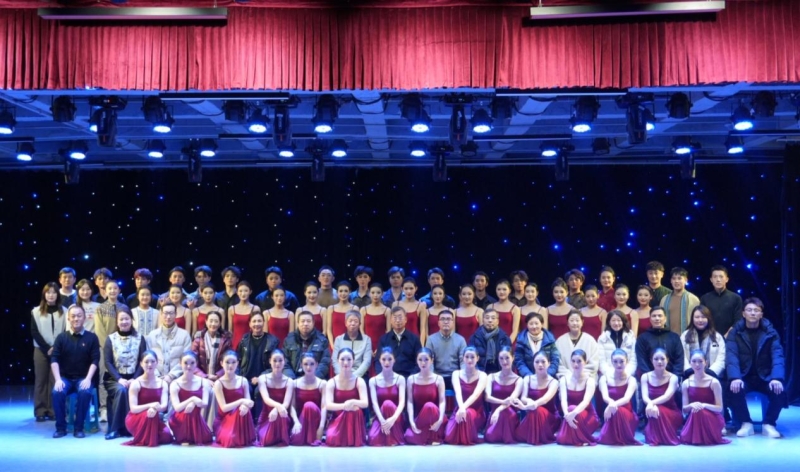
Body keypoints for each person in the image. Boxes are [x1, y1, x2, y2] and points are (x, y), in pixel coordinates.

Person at [726, 297, 786, 439]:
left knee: (780, 390)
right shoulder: (735, 332)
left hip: (765, 376)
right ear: (743, 313)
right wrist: (735, 377)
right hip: (744, 376)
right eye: (749, 310)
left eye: (756, 310)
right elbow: (731, 356)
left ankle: (769, 424)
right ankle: (746, 423)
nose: (752, 313)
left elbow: (777, 355)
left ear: (761, 314)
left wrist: (776, 378)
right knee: (733, 388)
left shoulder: (771, 332)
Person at [50, 305, 100, 438]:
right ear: (68, 318)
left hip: (84, 377)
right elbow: (54, 359)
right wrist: (58, 380)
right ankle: (61, 428)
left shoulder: (92, 337)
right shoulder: (61, 337)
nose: (76, 319)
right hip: (65, 378)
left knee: (85, 392)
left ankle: (79, 428)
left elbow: (95, 360)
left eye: (79, 316)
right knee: (57, 392)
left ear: (84, 318)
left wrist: (88, 379)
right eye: (73, 316)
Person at [103, 308, 146, 440]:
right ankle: (115, 429)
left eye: (127, 319)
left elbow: (142, 361)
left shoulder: (140, 338)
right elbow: (107, 362)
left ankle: (131, 427)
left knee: (130, 389)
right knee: (121, 390)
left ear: (131, 320)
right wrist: (119, 378)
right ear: (117, 322)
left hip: (135, 377)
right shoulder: (110, 339)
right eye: (121, 319)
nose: (124, 322)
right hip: (114, 378)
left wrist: (135, 378)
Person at [31, 282, 66, 422]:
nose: (51, 295)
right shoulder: (36, 311)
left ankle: (53, 410)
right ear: (44, 294)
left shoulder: (64, 311)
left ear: (57, 294)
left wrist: (56, 348)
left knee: (55, 380)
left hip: (58, 350)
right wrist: (47, 347)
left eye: (54, 292)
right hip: (40, 350)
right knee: (41, 380)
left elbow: (65, 331)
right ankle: (40, 410)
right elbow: (34, 332)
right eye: (48, 292)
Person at [122, 350, 172, 447]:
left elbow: (164, 406)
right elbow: (133, 409)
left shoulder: (163, 383)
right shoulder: (136, 383)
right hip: (136, 418)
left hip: (154, 415)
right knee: (150, 414)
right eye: (146, 362)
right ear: (141, 364)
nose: (150, 364)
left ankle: (149, 436)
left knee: (166, 436)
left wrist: (154, 408)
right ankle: (149, 439)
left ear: (157, 363)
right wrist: (151, 406)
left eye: (153, 361)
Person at [680, 350, 730, 445]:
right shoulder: (686, 383)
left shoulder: (714, 382)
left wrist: (703, 405)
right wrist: (692, 405)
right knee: (696, 410)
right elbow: (684, 409)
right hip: (694, 416)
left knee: (698, 410)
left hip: (712, 417)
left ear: (705, 363)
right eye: (694, 361)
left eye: (700, 361)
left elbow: (719, 408)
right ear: (690, 363)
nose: (697, 364)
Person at [236, 312, 280, 418]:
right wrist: (239, 378)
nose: (257, 324)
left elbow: (276, 364)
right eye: (254, 321)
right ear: (250, 324)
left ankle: (259, 422)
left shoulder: (273, 341)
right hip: (246, 378)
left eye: (259, 321)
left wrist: (261, 377)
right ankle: (246, 421)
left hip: (266, 378)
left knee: (258, 391)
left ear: (264, 322)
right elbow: (237, 361)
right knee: (244, 389)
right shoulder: (244, 340)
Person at [513, 351, 560, 445]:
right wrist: (529, 401)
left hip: (549, 417)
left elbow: (545, 400)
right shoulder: (528, 379)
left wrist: (526, 407)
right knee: (534, 411)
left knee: (537, 409)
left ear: (549, 363)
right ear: (533, 363)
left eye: (543, 362)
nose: (540, 365)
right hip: (532, 414)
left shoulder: (554, 382)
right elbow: (523, 398)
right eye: (537, 362)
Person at [325, 348, 369, 447]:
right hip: (337, 418)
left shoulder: (359, 381)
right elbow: (328, 405)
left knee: (355, 409)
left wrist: (352, 401)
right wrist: (345, 406)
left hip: (354, 418)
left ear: (353, 361)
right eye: (342, 359)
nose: (345, 362)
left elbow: (365, 403)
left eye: (349, 359)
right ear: (337, 360)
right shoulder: (332, 382)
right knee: (331, 439)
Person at [444, 347, 488, 445]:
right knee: (448, 436)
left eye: (472, 357)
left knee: (467, 413)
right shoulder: (456, 373)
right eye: (467, 357)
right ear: (463, 358)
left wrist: (463, 408)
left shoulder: (483, 375)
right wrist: (461, 408)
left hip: (477, 411)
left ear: (477, 358)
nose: (469, 360)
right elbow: (458, 393)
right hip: (460, 409)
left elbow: (475, 395)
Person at [555, 349, 599, 446]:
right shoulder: (564, 379)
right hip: (570, 415)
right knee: (562, 439)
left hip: (587, 415)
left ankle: (579, 437)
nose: (576, 364)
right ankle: (576, 437)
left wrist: (573, 413)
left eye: (579, 361)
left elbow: (586, 402)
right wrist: (567, 415)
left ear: (585, 362)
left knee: (572, 408)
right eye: (573, 361)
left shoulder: (590, 381)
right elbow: (563, 400)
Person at [597, 349, 641, 445]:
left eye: (621, 361)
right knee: (605, 438)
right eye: (615, 361)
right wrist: (611, 405)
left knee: (618, 410)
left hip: (626, 413)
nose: (619, 364)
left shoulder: (631, 379)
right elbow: (605, 397)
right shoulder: (604, 378)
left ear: (627, 362)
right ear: (611, 362)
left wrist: (611, 406)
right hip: (611, 412)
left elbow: (626, 399)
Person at [168, 351, 213, 445]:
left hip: (196, 419)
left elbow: (205, 404)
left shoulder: (203, 382)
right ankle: (184, 435)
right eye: (185, 363)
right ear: (180, 363)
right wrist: (192, 399)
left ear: (196, 364)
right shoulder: (175, 384)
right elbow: (177, 407)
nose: (189, 366)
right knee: (188, 412)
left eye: (192, 363)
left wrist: (193, 403)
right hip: (180, 419)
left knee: (207, 438)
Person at [213, 350, 256, 448]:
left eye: (233, 362)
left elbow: (249, 402)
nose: (230, 365)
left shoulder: (243, 380)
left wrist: (245, 406)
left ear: (237, 363)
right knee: (231, 440)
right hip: (224, 420)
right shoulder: (219, 383)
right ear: (222, 363)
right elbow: (224, 408)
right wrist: (241, 402)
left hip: (241, 416)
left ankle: (242, 434)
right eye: (227, 362)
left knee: (242, 410)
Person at [403, 348, 446, 445]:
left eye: (426, 359)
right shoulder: (411, 379)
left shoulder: (439, 379)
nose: (423, 363)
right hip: (420, 419)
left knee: (429, 406)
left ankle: (433, 435)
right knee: (408, 436)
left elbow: (442, 401)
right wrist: (411, 421)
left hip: (435, 418)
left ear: (432, 360)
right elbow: (410, 402)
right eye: (420, 360)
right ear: (416, 361)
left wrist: (440, 420)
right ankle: (427, 436)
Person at [641, 348, 682, 445]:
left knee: (657, 410)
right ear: (651, 360)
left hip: (671, 412)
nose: (659, 362)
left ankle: (658, 436)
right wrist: (651, 405)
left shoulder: (673, 377)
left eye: (662, 359)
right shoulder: (645, 376)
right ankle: (655, 435)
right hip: (652, 410)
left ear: (667, 360)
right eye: (656, 359)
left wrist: (651, 403)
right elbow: (644, 397)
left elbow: (667, 397)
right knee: (655, 410)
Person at [145, 303, 192, 385]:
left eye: (171, 313)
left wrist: (171, 376)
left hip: (178, 380)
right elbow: (147, 359)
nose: (168, 317)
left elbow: (187, 359)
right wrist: (157, 376)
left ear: (176, 314)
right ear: (161, 314)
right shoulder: (152, 335)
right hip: (155, 379)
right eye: (166, 313)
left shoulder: (184, 335)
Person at [368, 347, 407, 446]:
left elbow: (402, 402)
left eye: (390, 359)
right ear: (379, 360)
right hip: (381, 416)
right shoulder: (373, 381)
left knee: (387, 404)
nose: (387, 362)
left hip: (396, 416)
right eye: (384, 359)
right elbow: (374, 403)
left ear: (394, 360)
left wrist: (393, 419)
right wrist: (382, 420)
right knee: (372, 439)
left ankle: (395, 435)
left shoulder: (400, 379)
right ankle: (386, 432)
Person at [483, 347, 522, 444]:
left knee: (506, 412)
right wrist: (501, 403)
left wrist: (499, 410)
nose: (504, 362)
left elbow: (511, 399)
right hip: (494, 414)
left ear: (513, 358)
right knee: (490, 437)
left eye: (507, 358)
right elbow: (487, 397)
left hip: (510, 413)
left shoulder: (519, 380)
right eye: (501, 358)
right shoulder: (491, 377)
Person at [256, 349, 294, 446]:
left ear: (284, 361)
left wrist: (277, 409)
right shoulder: (262, 378)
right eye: (275, 360)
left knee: (281, 416)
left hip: (282, 415)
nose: (277, 363)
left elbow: (286, 403)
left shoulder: (289, 381)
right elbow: (266, 399)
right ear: (270, 361)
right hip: (267, 416)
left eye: (280, 360)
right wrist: (278, 406)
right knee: (266, 439)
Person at [289, 353, 327, 446]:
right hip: (301, 420)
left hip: (316, 421)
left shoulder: (322, 383)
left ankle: (313, 434)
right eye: (305, 364)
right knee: (295, 440)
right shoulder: (294, 383)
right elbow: (292, 406)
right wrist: (296, 422)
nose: (308, 367)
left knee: (309, 405)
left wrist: (321, 427)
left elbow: (324, 407)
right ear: (301, 365)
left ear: (316, 364)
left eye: (312, 364)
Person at [635, 306, 684, 376]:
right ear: (650, 319)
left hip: (672, 377)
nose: (657, 318)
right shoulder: (642, 338)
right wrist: (649, 377)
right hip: (649, 378)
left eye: (660, 316)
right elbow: (641, 360)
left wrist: (675, 377)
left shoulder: (674, 337)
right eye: (654, 316)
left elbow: (679, 360)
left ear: (665, 319)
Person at [424, 310, 466, 388]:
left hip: (455, 376)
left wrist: (462, 377)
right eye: (443, 319)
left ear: (453, 322)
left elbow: (463, 361)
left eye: (448, 319)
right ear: (438, 323)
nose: (446, 322)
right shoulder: (431, 339)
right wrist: (432, 377)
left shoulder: (460, 340)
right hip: (437, 376)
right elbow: (429, 362)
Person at [283, 311, 331, 379]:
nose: (305, 324)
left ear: (313, 323)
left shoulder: (322, 340)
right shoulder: (289, 340)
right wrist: (292, 380)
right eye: (302, 321)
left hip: (315, 380)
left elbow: (325, 363)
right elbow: (284, 362)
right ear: (298, 323)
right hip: (293, 379)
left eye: (308, 321)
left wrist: (312, 379)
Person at [680, 305, 725, 378]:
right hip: (690, 377)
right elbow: (682, 356)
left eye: (703, 317)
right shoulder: (685, 335)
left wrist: (709, 373)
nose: (700, 320)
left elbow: (721, 358)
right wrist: (690, 372)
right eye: (697, 317)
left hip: (712, 377)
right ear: (692, 319)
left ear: (708, 318)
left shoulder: (717, 337)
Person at [376, 306, 422, 377]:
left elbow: (419, 361)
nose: (397, 320)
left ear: (405, 319)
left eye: (400, 317)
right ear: (390, 320)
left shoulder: (414, 339)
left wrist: (411, 377)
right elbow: (378, 361)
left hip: (409, 377)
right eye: (395, 318)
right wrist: (383, 376)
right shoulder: (384, 339)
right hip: (389, 377)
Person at [700, 265, 743, 337]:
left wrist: (728, 335)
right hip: (709, 336)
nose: (718, 280)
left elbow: (738, 320)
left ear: (727, 279)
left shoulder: (736, 298)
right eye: (715, 277)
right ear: (711, 280)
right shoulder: (705, 298)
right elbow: (702, 318)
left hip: (730, 337)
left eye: (721, 277)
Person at [555, 310, 600, 378]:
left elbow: (594, 363)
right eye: (572, 320)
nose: (575, 323)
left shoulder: (590, 340)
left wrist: (581, 374)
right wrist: (569, 376)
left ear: (582, 322)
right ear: (567, 323)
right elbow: (558, 364)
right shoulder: (560, 341)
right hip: (566, 378)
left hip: (586, 377)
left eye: (577, 320)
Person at [514, 313, 559, 378]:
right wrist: (529, 377)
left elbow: (555, 359)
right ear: (527, 325)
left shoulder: (550, 340)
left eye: (536, 323)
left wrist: (547, 375)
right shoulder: (521, 341)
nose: (534, 326)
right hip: (527, 378)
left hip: (548, 378)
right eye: (531, 324)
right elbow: (519, 361)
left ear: (542, 324)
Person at [192, 310, 232, 381]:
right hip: (201, 379)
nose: (213, 324)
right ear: (206, 322)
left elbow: (229, 361)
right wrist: (204, 377)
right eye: (211, 321)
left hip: (220, 379)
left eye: (216, 321)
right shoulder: (198, 340)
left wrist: (217, 376)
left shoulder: (226, 341)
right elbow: (192, 361)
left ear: (220, 323)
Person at [659, 267, 700, 335]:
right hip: (668, 337)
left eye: (679, 278)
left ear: (686, 280)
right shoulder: (664, 299)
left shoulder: (693, 299)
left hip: (688, 337)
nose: (676, 281)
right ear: (671, 281)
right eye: (674, 278)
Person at [470, 308, 512, 374]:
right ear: (483, 320)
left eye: (493, 318)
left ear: (498, 321)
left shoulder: (504, 338)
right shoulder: (475, 337)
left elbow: (509, 359)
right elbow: (470, 358)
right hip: (480, 372)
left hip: (500, 372)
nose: (490, 320)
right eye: (487, 318)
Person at [597, 310, 637, 378]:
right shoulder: (602, 339)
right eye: (613, 320)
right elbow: (601, 361)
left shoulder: (631, 337)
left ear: (623, 322)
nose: (616, 323)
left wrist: (626, 373)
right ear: (609, 322)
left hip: (627, 375)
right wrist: (610, 374)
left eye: (619, 320)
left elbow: (633, 360)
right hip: (608, 375)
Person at [332, 311, 372, 378]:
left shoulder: (367, 339)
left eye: (356, 321)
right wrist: (342, 375)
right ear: (345, 323)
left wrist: (354, 377)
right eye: (350, 321)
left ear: (360, 324)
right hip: (341, 375)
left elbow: (367, 361)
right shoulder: (338, 339)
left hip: (360, 376)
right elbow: (335, 360)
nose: (353, 324)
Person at [360, 283, 390, 360]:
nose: (375, 295)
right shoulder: (363, 310)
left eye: (378, 293)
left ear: (382, 294)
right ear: (369, 294)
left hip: (382, 345)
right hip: (366, 344)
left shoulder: (387, 310)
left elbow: (388, 331)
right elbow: (361, 330)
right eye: (373, 293)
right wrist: (367, 346)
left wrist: (380, 347)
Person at [228, 281, 260, 350]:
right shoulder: (232, 309)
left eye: (246, 291)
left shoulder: (255, 308)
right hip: (235, 343)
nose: (243, 293)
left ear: (250, 292)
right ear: (237, 292)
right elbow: (230, 330)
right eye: (240, 291)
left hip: (250, 343)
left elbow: (258, 329)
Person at [326, 281, 358, 346]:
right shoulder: (331, 308)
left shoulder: (354, 308)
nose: (343, 293)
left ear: (350, 292)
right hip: (334, 345)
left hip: (350, 344)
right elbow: (329, 329)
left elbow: (356, 329)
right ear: (337, 292)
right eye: (340, 291)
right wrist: (332, 345)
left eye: (346, 291)